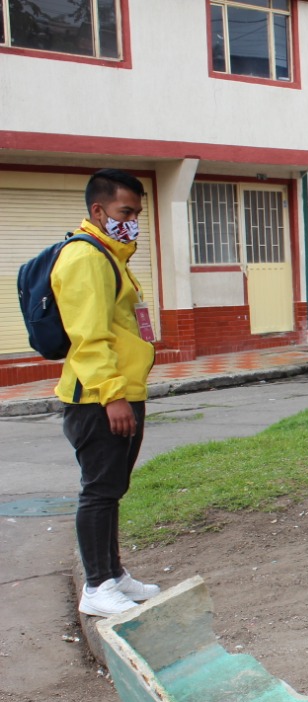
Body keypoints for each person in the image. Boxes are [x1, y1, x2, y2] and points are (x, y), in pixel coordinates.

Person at [57, 169, 161, 617]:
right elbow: (89, 338)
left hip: (120, 391)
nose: (132, 221)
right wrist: (113, 396)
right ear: (97, 210)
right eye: (125, 212)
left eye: (137, 213)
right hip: (99, 399)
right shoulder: (86, 259)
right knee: (99, 491)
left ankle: (113, 574)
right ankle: (97, 586)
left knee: (112, 488)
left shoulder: (111, 256)